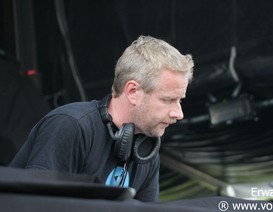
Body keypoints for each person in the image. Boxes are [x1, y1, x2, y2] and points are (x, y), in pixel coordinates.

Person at [9, 35, 194, 202]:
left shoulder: (146, 153)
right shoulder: (71, 126)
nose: (179, 113)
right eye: (168, 100)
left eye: (179, 100)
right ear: (132, 91)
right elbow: (37, 205)